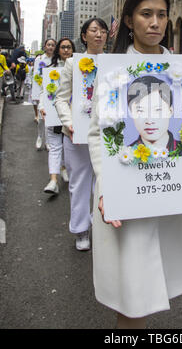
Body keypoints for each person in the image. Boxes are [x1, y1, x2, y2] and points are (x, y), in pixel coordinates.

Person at [88, 0, 182, 330]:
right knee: (132, 292)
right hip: (127, 191)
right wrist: (107, 188)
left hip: (171, 190)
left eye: (161, 14)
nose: (155, 22)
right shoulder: (113, 69)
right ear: (129, 20)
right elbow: (98, 134)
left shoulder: (180, 69)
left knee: (165, 275)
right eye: (146, 14)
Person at [55, 18, 108, 251]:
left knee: (105, 181)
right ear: (84, 36)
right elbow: (60, 98)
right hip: (76, 134)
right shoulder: (72, 64)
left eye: (103, 31)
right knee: (79, 183)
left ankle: (103, 226)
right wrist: (69, 122)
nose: (99, 35)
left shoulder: (114, 61)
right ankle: (80, 229)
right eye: (94, 31)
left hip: (106, 132)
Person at [40, 38, 75, 195]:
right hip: (54, 115)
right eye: (63, 47)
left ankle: (64, 168)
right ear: (58, 50)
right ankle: (53, 180)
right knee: (55, 147)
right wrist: (42, 106)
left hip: (73, 117)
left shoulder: (81, 68)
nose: (66, 50)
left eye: (69, 47)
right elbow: (44, 91)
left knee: (68, 148)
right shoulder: (49, 69)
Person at [127, 75, 182, 154]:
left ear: (170, 111)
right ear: (131, 113)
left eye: (157, 110)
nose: (150, 121)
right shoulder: (126, 155)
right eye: (140, 111)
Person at [33, 39, 56, 150]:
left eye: (52, 45)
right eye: (48, 45)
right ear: (45, 46)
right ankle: (39, 136)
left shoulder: (56, 59)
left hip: (52, 91)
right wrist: (37, 93)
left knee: (49, 118)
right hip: (42, 91)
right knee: (41, 118)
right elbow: (36, 75)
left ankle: (48, 141)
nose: (50, 47)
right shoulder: (39, 59)